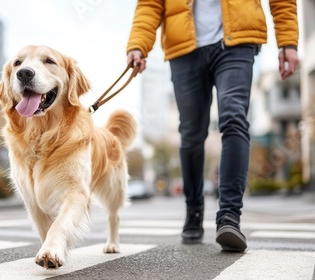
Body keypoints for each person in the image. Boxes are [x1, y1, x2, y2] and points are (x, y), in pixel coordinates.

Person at [126, 0, 299, 252]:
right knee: (191, 134)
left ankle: (229, 216)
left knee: (234, 117)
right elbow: (150, 4)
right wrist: (138, 44)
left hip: (237, 40)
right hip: (184, 48)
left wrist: (288, 41)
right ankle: (194, 210)